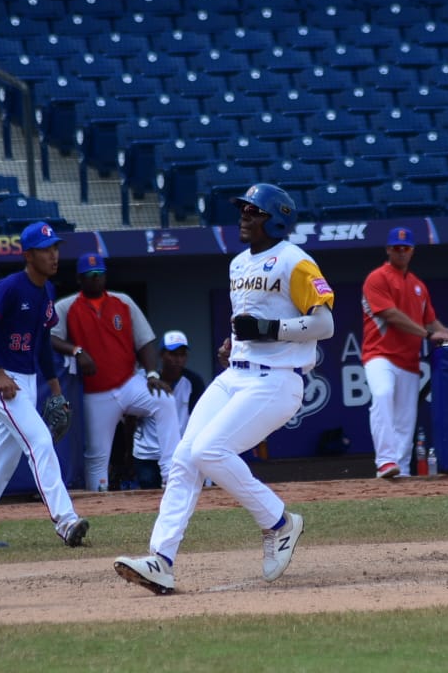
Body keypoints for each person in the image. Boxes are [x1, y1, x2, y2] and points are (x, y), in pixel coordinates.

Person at [113, 183, 334, 595]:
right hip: (236, 374)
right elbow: (251, 323)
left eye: (254, 211)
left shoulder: (296, 261)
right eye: (244, 210)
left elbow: (324, 325)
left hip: (277, 380)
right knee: (183, 458)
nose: (244, 217)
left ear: (277, 218)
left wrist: (270, 329)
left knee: (208, 450)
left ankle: (280, 522)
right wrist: (236, 343)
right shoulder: (237, 265)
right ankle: (160, 559)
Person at [0, 222, 89, 549]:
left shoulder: (47, 291)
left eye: (55, 248)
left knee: (3, 460)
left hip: (26, 379)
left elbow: (42, 341)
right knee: (40, 441)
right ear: (28, 255)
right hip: (3, 380)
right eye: (45, 250)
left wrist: (55, 387)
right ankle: (66, 520)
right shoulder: (10, 287)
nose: (53, 255)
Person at [50, 253, 178, 492]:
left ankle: (172, 474)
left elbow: (145, 341)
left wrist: (151, 374)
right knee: (97, 456)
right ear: (80, 279)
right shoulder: (67, 306)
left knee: (165, 401)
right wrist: (76, 350)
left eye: (99, 274)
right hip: (96, 393)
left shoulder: (123, 302)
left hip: (128, 383)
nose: (96, 280)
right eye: (90, 276)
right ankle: (100, 504)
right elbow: (51, 336)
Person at [362, 226, 448, 478]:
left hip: (408, 361)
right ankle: (386, 461)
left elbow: (431, 320)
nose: (401, 252)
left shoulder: (418, 285)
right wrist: (428, 335)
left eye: (406, 248)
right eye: (396, 248)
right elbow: (391, 315)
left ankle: (400, 472)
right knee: (382, 394)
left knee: (405, 420)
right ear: (388, 250)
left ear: (412, 251)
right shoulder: (377, 278)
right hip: (380, 354)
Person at [131, 330, 195, 490]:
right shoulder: (145, 380)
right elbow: (130, 418)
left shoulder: (193, 381)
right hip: (147, 453)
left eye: (182, 355)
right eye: (172, 354)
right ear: (161, 355)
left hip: (178, 452)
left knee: (177, 493)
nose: (177, 360)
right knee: (149, 497)